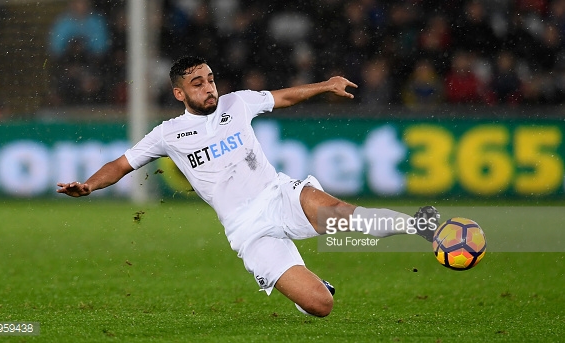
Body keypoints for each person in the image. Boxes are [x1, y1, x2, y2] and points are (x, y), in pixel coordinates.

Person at [57, 56, 440, 317]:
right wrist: (89, 186)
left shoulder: (237, 103)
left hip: (279, 195)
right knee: (321, 306)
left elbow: (284, 97)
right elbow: (121, 164)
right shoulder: (167, 134)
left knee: (342, 216)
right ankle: (310, 285)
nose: (209, 88)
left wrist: (326, 85)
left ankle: (418, 225)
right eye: (198, 83)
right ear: (180, 94)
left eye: (210, 79)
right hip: (247, 229)